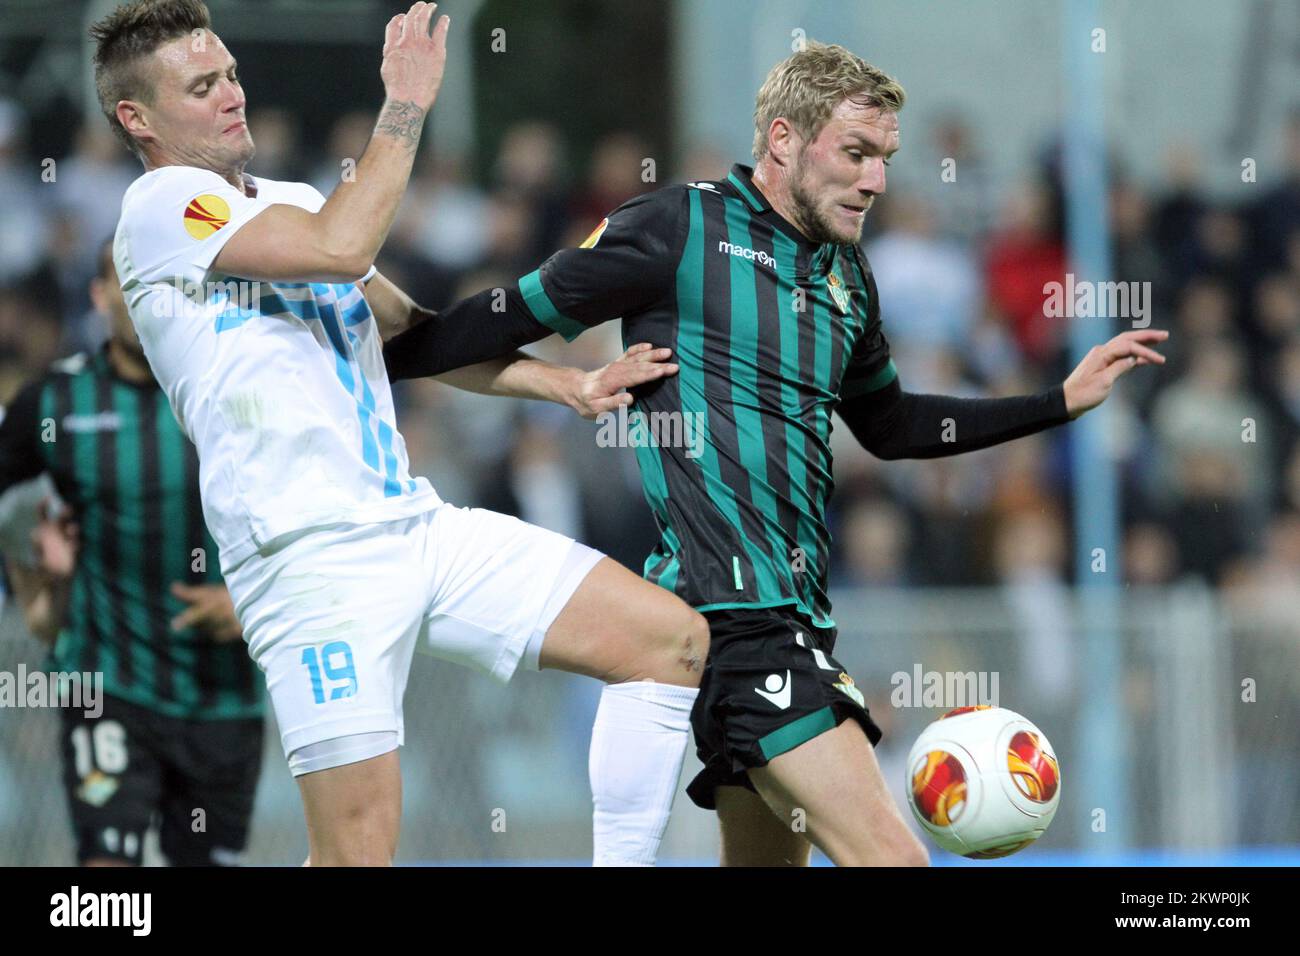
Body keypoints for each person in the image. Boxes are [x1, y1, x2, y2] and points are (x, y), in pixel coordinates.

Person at [381, 41, 1170, 865]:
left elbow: (892, 425)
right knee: (896, 860)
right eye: (856, 153)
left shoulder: (847, 279)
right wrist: (371, 340)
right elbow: (492, 323)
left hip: (797, 621)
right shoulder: (676, 227)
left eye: (886, 159)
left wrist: (1058, 402)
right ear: (785, 139)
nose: (876, 180)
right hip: (732, 617)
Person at [95, 0, 708, 866]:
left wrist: (563, 382)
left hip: (415, 526)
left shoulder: (292, 202)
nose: (232, 94)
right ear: (137, 118)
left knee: (668, 641)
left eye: (229, 73)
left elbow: (410, 333)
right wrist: (406, 104)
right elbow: (345, 248)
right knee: (357, 855)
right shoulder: (161, 209)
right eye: (201, 87)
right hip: (308, 562)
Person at [0, 238, 262, 866]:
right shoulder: (54, 405)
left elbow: (317, 512)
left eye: (168, 285)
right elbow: (9, 507)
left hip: (222, 689)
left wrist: (254, 601)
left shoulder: (240, 393)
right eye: (131, 283)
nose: (151, 301)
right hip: (107, 681)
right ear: (100, 296)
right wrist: (34, 587)